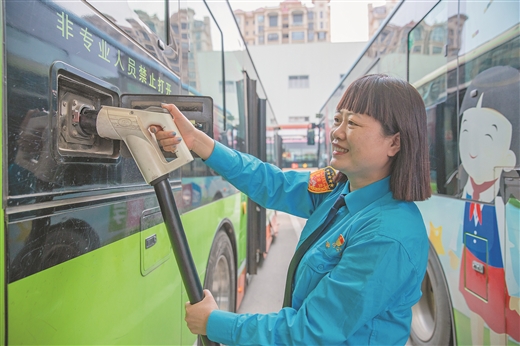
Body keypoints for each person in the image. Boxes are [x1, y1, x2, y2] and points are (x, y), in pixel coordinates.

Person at [152, 74, 431, 345]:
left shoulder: (387, 235)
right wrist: (196, 141)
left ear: (394, 142)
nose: (337, 132)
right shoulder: (338, 190)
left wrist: (214, 323)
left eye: (354, 123)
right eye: (337, 120)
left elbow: (309, 332)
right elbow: (272, 183)